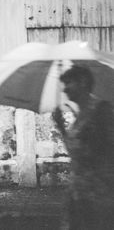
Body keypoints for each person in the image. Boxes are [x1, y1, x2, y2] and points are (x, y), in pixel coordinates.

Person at [52, 64, 114, 230]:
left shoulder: (102, 110)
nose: (64, 90)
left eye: (69, 83)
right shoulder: (80, 115)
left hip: (98, 195)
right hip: (78, 194)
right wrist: (61, 127)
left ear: (83, 82)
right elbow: (75, 153)